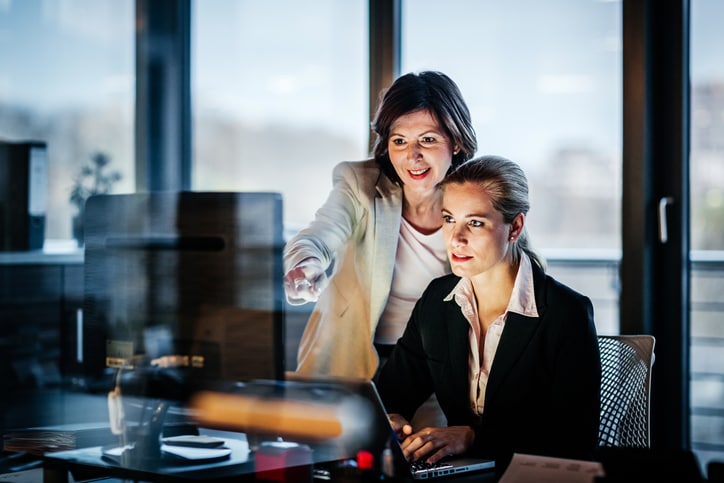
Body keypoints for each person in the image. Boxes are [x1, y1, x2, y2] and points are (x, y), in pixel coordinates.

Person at [374, 155, 602, 471]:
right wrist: (390, 417)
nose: (456, 237)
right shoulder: (437, 301)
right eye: (449, 218)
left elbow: (574, 441)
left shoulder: (565, 313)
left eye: (475, 223)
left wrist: (472, 437)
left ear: (515, 227)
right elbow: (389, 394)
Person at [283, 71, 477, 381]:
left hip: (440, 369)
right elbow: (319, 235)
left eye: (428, 139)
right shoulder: (360, 183)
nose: (412, 156)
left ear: (454, 141)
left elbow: (524, 264)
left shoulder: (477, 195)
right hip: (352, 360)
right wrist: (306, 264)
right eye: (400, 140)